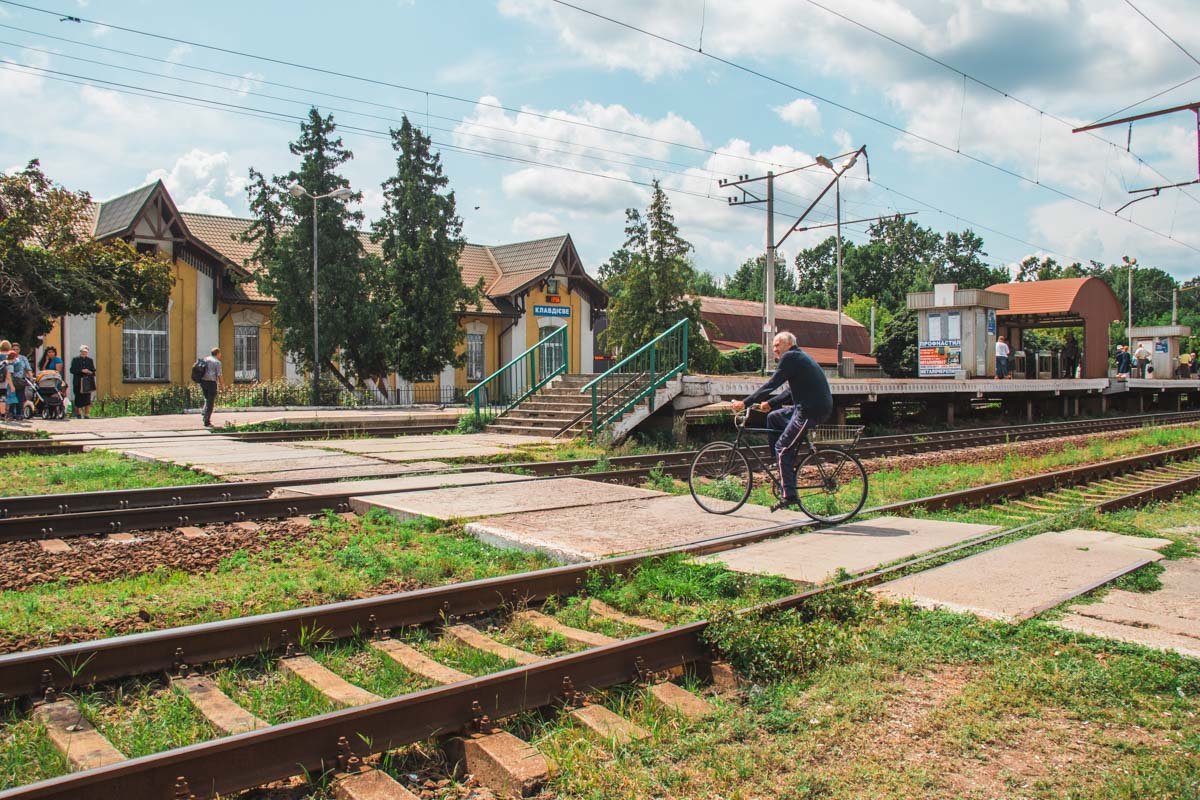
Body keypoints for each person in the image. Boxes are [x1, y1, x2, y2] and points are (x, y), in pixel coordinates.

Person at [730, 331, 833, 511]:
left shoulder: (791, 357)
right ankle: (783, 468)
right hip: (808, 406)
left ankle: (789, 495)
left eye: (777, 345)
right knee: (774, 417)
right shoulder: (799, 358)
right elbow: (791, 392)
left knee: (782, 449)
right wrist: (771, 403)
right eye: (773, 347)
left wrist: (745, 402)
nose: (775, 350)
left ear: (788, 344)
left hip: (810, 410)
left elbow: (772, 384)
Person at [69, 345, 96, 419]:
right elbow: (72, 370)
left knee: (87, 398)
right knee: (78, 397)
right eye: (83, 352)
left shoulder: (90, 360)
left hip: (87, 381)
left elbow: (93, 370)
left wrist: (90, 371)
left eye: (86, 352)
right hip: (78, 381)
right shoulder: (75, 359)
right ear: (80, 352)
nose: (84, 353)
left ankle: (87, 414)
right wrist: (81, 370)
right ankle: (78, 413)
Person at [199, 346, 224, 427]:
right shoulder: (217, 362)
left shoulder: (205, 359)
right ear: (217, 353)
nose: (220, 355)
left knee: (206, 398)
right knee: (210, 402)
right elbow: (219, 375)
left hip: (203, 382)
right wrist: (221, 385)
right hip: (211, 383)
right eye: (220, 353)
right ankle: (207, 421)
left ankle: (204, 412)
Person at [7, 343, 30, 420]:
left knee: (20, 397)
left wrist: (31, 377)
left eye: (17, 349)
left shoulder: (23, 358)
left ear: (19, 350)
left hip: (20, 380)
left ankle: (19, 414)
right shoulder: (9, 357)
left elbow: (28, 368)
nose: (16, 351)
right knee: (12, 397)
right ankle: (11, 413)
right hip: (11, 380)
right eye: (14, 349)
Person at [0, 341, 10, 420]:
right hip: (3, 381)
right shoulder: (9, 356)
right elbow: (8, 372)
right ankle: (3, 415)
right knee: (2, 398)